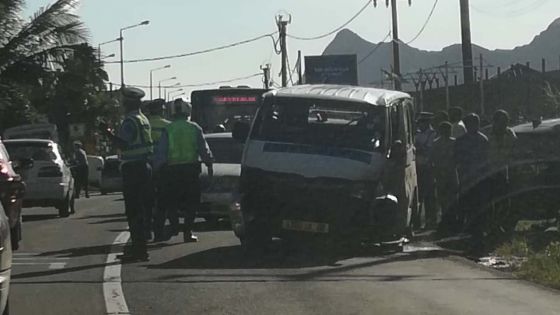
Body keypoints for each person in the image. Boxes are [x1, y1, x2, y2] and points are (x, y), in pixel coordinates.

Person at [100, 87, 153, 262]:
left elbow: (123, 144)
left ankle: (139, 249)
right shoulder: (143, 119)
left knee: (134, 210)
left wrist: (107, 133)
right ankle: (140, 247)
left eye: (124, 102)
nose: (122, 105)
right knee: (143, 209)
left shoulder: (130, 121)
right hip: (144, 166)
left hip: (133, 169)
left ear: (129, 103)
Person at [154, 99, 214, 242]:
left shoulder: (168, 129)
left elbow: (161, 152)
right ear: (188, 111)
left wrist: (157, 170)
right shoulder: (195, 128)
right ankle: (187, 232)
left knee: (172, 202)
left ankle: (175, 226)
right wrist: (209, 163)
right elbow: (203, 149)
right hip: (191, 170)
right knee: (191, 203)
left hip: (171, 171)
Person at [454, 113, 489, 226]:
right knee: (465, 199)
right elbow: (456, 157)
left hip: (479, 175)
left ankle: (478, 222)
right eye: (470, 124)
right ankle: (463, 221)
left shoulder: (483, 140)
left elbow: (486, 158)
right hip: (465, 174)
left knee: (479, 200)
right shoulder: (460, 141)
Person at [145, 99, 170, 240]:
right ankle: (159, 232)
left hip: (145, 167)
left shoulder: (144, 124)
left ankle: (147, 231)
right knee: (162, 202)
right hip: (163, 168)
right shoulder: (168, 126)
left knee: (146, 201)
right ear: (162, 110)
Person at [431, 122, 459, 232]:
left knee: (453, 198)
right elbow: (433, 158)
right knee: (443, 198)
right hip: (441, 173)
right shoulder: (436, 143)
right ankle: (445, 219)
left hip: (451, 172)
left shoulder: (454, 142)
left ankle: (452, 219)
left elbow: (457, 157)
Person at [415, 114, 437, 229]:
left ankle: (431, 221)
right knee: (418, 196)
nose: (420, 124)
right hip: (417, 168)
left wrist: (420, 148)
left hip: (428, 168)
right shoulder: (417, 134)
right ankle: (417, 222)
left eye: (422, 122)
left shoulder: (432, 134)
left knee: (429, 197)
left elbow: (428, 150)